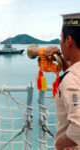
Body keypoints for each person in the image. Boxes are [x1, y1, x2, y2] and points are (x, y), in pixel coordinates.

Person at [42, 13, 80, 150]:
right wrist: (63, 62)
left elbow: (79, 127)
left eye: (61, 38)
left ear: (68, 40)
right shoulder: (74, 74)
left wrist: (59, 144)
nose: (60, 42)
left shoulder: (71, 79)